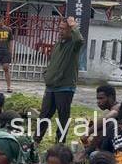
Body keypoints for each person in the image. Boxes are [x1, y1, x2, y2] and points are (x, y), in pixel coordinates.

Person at [35, 16, 85, 145]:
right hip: (51, 86)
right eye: (59, 28)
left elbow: (79, 40)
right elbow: (53, 62)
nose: (60, 31)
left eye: (64, 29)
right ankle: (35, 141)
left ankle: (60, 143)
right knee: (44, 115)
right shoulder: (58, 44)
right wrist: (47, 74)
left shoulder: (73, 44)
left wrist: (73, 25)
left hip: (65, 86)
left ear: (70, 30)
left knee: (63, 117)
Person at [77, 85, 120, 164]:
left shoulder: (118, 107)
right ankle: (87, 153)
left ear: (111, 97)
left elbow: (107, 118)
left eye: (101, 98)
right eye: (97, 99)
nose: (98, 101)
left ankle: (86, 154)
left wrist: (87, 133)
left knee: (106, 124)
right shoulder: (112, 109)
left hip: (121, 150)